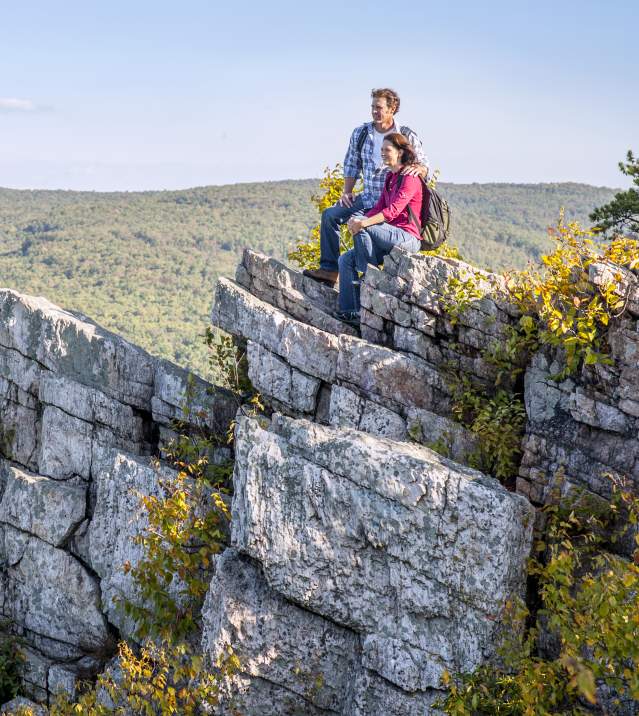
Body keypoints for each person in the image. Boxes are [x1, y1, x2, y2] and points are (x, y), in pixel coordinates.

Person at [303, 88, 428, 287]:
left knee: (362, 226)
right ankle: (328, 270)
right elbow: (352, 164)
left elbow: (423, 166)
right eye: (372, 107)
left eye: (379, 108)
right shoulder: (361, 133)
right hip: (368, 197)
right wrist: (347, 192)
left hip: (392, 203)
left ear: (392, 108)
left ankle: (367, 278)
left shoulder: (405, 134)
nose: (374, 112)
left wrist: (418, 169)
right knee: (330, 215)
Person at [335, 133, 423, 325]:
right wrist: (357, 220)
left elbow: (392, 211)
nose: (382, 153)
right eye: (381, 149)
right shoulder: (390, 177)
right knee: (345, 260)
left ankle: (370, 278)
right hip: (387, 236)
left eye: (387, 150)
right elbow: (379, 208)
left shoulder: (409, 178)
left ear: (400, 152)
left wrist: (362, 223)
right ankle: (352, 312)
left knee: (363, 227)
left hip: (407, 238)